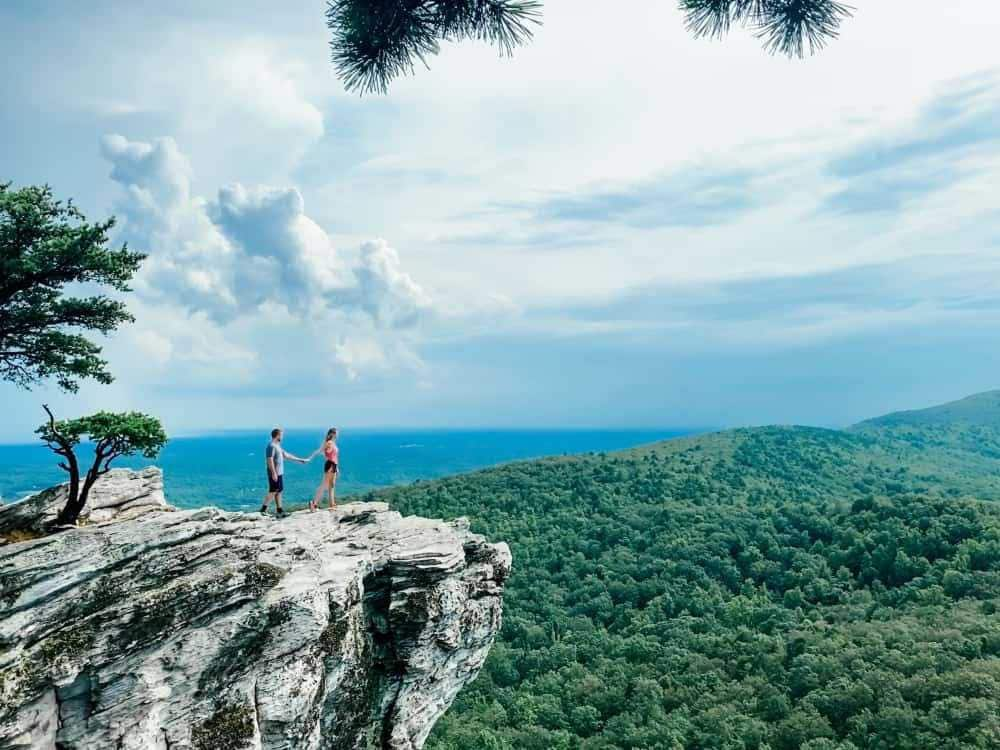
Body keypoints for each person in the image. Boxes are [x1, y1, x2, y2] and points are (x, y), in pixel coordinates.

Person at [261, 428, 309, 518]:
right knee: (273, 491)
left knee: (279, 491)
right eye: (281, 435)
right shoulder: (271, 446)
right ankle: (263, 510)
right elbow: (269, 460)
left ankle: (279, 510)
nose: (282, 437)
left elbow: (286, 455)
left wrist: (300, 460)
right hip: (275, 473)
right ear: (278, 435)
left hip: (279, 472)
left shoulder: (277, 445)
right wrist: (273, 473)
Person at [308, 427, 340, 511]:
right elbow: (321, 451)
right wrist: (310, 458)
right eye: (336, 433)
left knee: (331, 485)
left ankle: (332, 503)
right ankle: (314, 503)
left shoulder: (332, 443)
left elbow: (334, 456)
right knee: (324, 485)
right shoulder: (329, 443)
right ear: (332, 434)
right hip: (330, 465)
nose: (337, 435)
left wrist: (337, 468)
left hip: (333, 465)